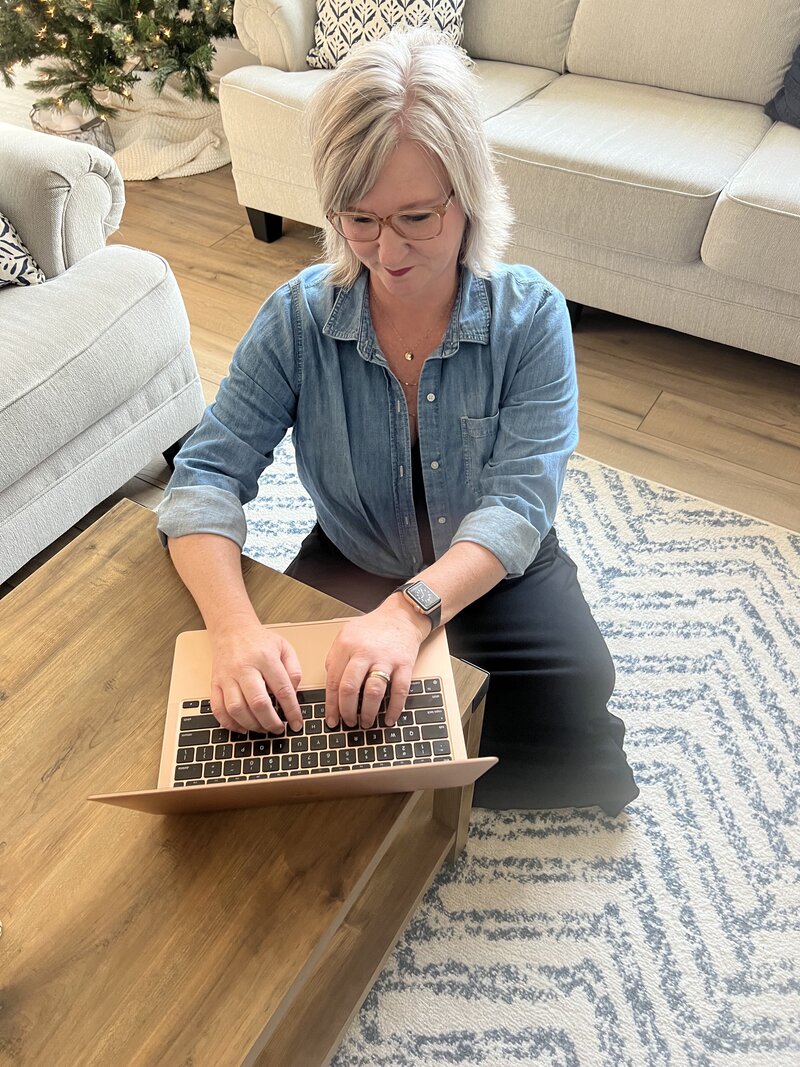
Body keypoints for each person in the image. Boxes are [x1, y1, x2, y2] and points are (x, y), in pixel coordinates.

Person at [156, 28, 640, 815]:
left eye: (417, 216)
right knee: (269, 726)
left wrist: (408, 613)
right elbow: (206, 475)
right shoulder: (296, 320)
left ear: (469, 195)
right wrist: (234, 629)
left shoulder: (532, 317)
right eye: (360, 219)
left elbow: (519, 506)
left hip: (485, 566)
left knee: (578, 707)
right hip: (354, 558)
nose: (389, 253)